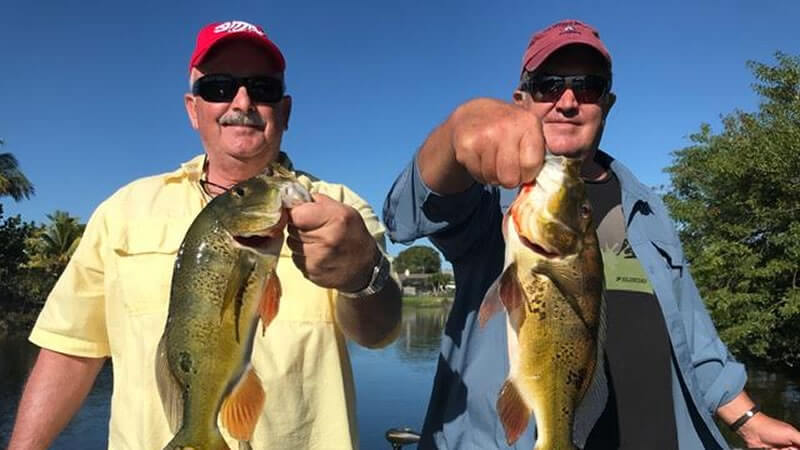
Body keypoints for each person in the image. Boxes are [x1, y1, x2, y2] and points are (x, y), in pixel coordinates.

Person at [382, 19, 800, 450]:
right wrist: (454, 135)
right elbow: (406, 214)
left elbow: (691, 330)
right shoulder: (489, 194)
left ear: (608, 103)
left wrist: (748, 417)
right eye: (548, 85)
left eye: (588, 87)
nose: (567, 101)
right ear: (521, 101)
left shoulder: (647, 204)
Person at [8, 19, 401, 450]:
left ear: (285, 110)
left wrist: (363, 276)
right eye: (218, 87)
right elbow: (70, 350)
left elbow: (378, 332)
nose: (243, 101)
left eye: (262, 88)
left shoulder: (340, 208)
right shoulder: (122, 210)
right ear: (193, 109)